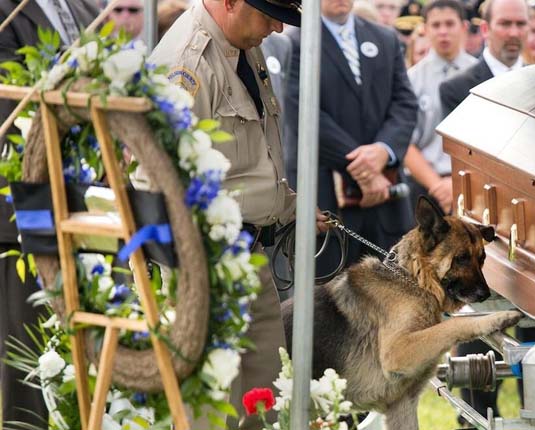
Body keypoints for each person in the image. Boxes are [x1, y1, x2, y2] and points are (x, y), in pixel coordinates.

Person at [149, 1, 328, 428]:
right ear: (229, 2)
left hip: (247, 256)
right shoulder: (187, 61)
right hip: (204, 265)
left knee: (262, 400)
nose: (278, 27)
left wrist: (291, 208)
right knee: (215, 409)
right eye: (269, 13)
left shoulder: (240, 42)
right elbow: (155, 177)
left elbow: (245, 164)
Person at [0, 0, 99, 426]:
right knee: (29, 363)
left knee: (71, 357)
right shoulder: (7, 13)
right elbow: (12, 110)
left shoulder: (82, 7)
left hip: (78, 205)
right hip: (25, 209)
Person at [439, 0, 528, 420]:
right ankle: (476, 416)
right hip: (481, 226)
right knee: (480, 328)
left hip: (532, 232)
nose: (514, 32)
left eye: (521, 24)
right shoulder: (459, 86)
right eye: (505, 23)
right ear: (486, 28)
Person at [284, 0, 417, 277]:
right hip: (329, 200)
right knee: (330, 305)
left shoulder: (385, 38)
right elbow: (302, 110)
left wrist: (383, 150)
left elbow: (404, 104)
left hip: (386, 199)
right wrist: (364, 167)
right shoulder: (294, 43)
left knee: (398, 295)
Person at [405, 0, 477, 215]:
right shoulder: (412, 79)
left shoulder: (480, 74)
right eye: (436, 25)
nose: (443, 32)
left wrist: (459, 183)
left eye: (449, 24)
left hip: (475, 184)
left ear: (463, 27)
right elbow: (406, 143)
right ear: (425, 30)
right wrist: (439, 186)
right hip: (427, 187)